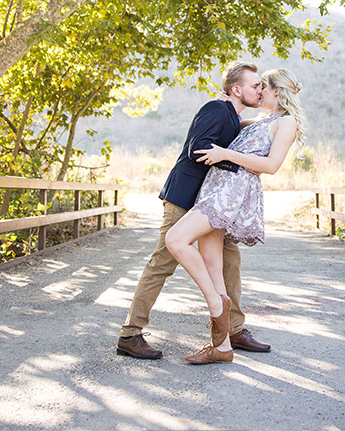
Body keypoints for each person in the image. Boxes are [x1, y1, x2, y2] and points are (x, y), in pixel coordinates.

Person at [116, 61, 273, 360]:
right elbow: (198, 149)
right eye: (255, 86)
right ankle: (130, 334)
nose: (260, 90)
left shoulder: (233, 118)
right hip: (185, 198)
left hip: (212, 203)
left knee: (230, 261)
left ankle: (234, 330)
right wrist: (236, 164)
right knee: (163, 261)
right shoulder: (215, 109)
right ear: (236, 89)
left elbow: (242, 134)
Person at [165, 68, 305, 364]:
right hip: (215, 187)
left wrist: (225, 154)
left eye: (263, 86)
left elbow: (271, 165)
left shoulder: (287, 122)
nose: (259, 91)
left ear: (278, 92)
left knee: (175, 239)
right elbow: (232, 119)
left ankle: (217, 306)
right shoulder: (263, 120)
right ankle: (222, 347)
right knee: (213, 266)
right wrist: (227, 100)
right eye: (256, 86)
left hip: (232, 192)